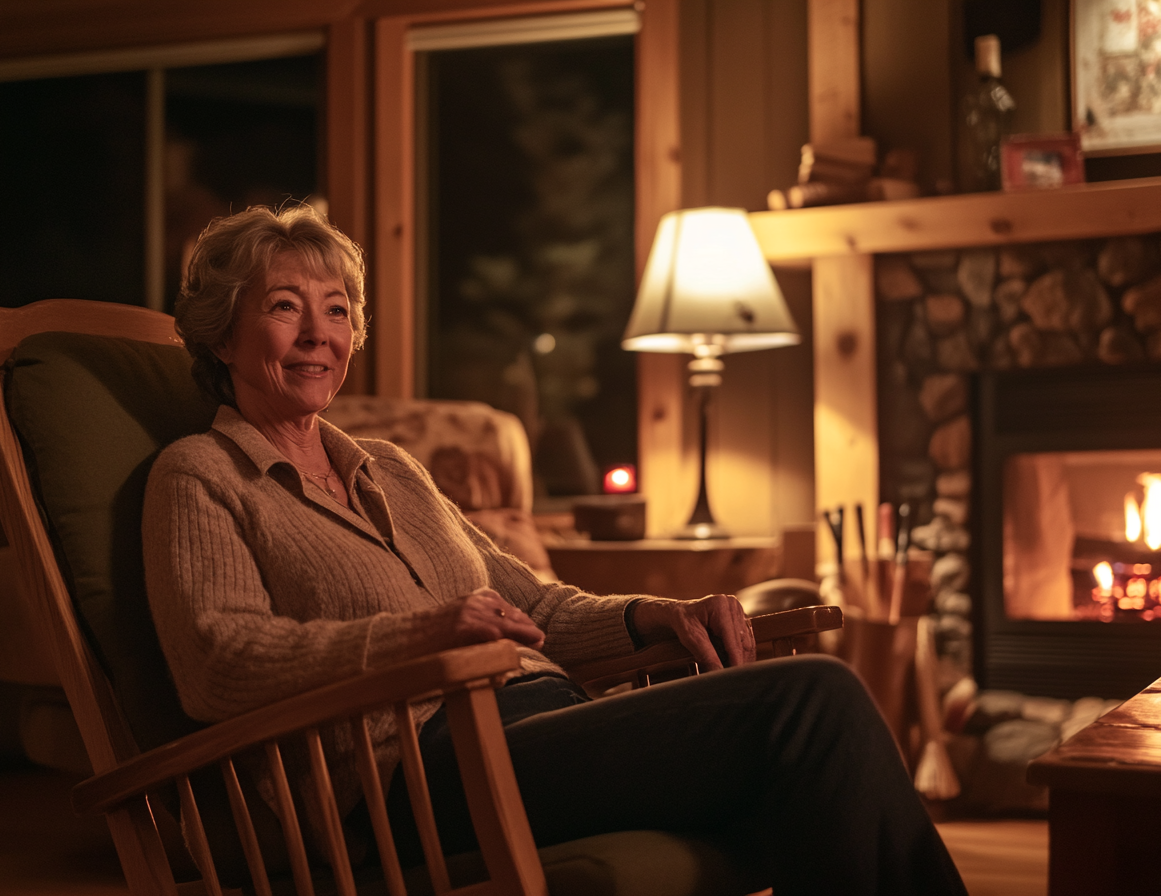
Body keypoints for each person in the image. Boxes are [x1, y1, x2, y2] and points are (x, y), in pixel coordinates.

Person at [142, 204, 968, 895]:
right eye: (286, 306)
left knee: (813, 765)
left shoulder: (388, 468)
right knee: (809, 704)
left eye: (336, 308)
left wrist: (656, 613)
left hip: (546, 722)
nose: (318, 333)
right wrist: (423, 635)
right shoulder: (201, 474)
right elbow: (218, 662)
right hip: (414, 775)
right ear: (221, 336)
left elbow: (532, 604)